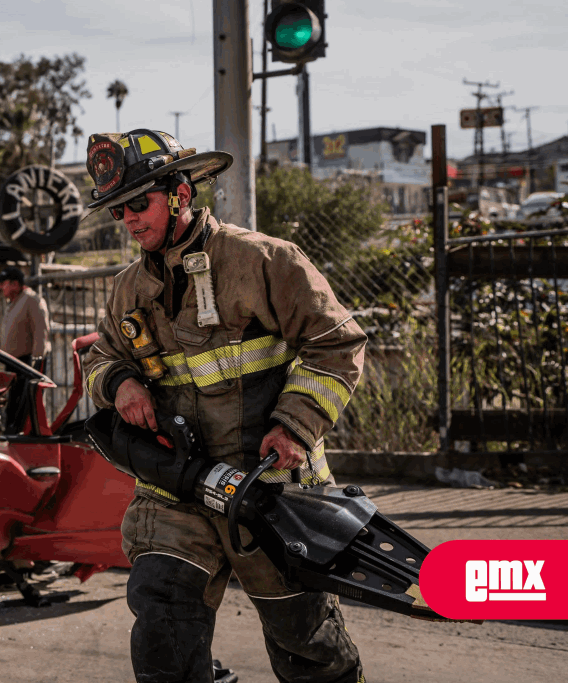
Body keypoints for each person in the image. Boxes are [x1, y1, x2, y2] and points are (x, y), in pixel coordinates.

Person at [80, 129, 368, 683]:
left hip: (269, 489)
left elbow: (338, 343)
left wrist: (294, 426)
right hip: (177, 490)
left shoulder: (263, 261)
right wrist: (119, 383)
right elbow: (101, 357)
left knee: (303, 641)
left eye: (140, 202)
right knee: (162, 625)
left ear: (181, 192)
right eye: (119, 210)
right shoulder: (126, 290)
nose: (130, 220)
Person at [0, 266, 51, 372]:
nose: (0, 287)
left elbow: (40, 331)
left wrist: (35, 364)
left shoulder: (31, 300)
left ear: (15, 284)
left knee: (26, 389)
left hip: (25, 365)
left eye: (3, 283)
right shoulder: (14, 302)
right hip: (13, 363)